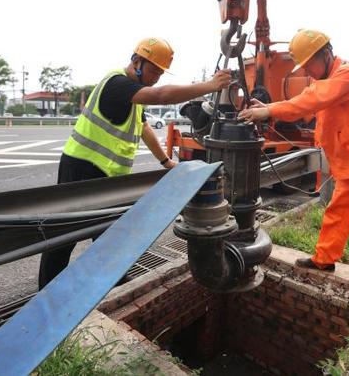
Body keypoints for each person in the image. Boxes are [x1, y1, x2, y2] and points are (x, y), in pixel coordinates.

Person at [238, 29, 349, 337]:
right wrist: (271, 108)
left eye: (308, 65)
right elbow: (309, 99)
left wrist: (269, 109)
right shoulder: (324, 82)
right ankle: (324, 260)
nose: (307, 73)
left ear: (325, 54)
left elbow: (313, 100)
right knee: (337, 215)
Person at [39, 37, 231, 288]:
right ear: (136, 61)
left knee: (110, 233)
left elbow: (142, 127)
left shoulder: (132, 94)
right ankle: (46, 293)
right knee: (64, 236)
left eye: (161, 73)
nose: (156, 78)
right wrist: (209, 85)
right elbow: (162, 96)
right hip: (82, 168)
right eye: (153, 70)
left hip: (107, 176)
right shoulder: (117, 83)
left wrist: (164, 161)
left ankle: (115, 285)